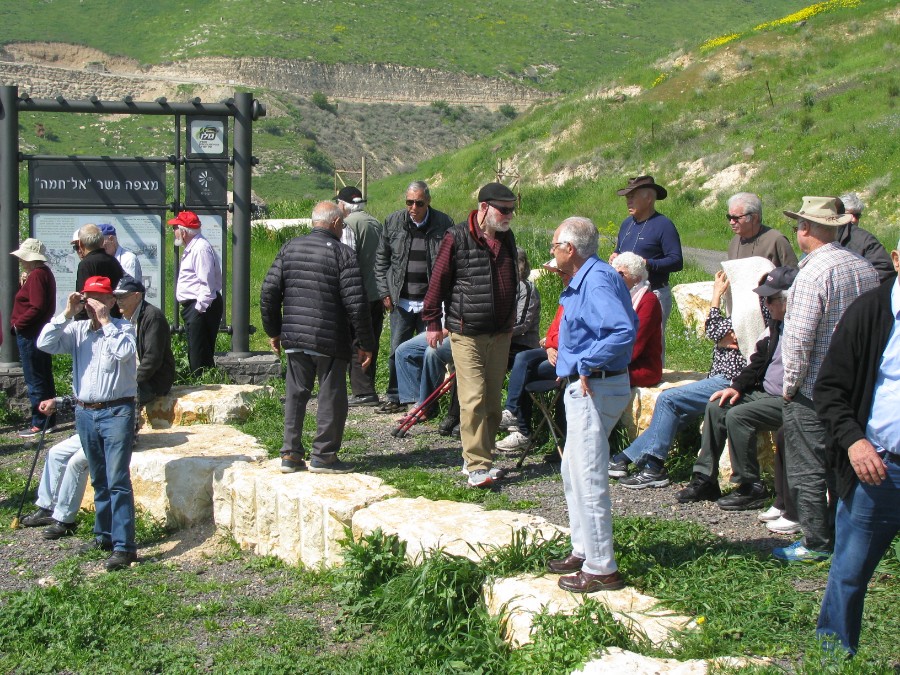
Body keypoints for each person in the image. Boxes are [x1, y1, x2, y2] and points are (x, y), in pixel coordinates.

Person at [775, 196, 879, 563]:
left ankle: (817, 542)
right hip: (854, 385)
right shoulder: (863, 267)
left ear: (806, 229)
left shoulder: (812, 273)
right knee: (844, 464)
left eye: (797, 226)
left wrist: (790, 387)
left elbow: (799, 338)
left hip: (814, 387)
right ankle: (849, 536)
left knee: (807, 469)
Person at [813, 240, 899, 655]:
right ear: (896, 261)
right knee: (850, 569)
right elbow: (829, 389)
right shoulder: (871, 311)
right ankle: (833, 656)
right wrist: (854, 441)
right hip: (879, 466)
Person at [545, 216, 636, 593]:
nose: (551, 251)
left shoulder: (596, 279)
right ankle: (583, 549)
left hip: (594, 387)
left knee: (589, 476)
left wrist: (587, 361)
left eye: (554, 245)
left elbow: (623, 330)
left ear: (570, 249)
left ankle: (602, 567)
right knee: (574, 472)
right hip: (587, 386)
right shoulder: (591, 276)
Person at [260, 201, 375, 474]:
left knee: (296, 394)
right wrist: (367, 343)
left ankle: (290, 453)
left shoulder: (290, 248)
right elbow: (357, 305)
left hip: (295, 336)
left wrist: (273, 331)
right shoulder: (343, 255)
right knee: (331, 396)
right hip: (330, 339)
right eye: (342, 225)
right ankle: (323, 456)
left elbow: (268, 292)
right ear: (335, 224)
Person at [37, 276, 139, 572]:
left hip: (116, 411)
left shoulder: (123, 329)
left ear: (110, 301)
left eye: (99, 298)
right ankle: (104, 535)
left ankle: (124, 546)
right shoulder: (78, 330)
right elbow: (44, 343)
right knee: (98, 477)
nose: (92, 305)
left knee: (117, 479)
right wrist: (66, 313)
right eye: (88, 298)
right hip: (85, 413)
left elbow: (125, 354)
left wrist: (106, 321)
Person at [611, 270, 747, 489]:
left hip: (731, 380)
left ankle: (654, 467)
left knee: (668, 399)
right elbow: (715, 333)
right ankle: (624, 459)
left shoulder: (749, 314)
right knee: (674, 414)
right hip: (723, 377)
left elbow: (711, 330)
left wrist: (715, 297)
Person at [676, 267, 798, 509]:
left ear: (788, 299)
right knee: (716, 405)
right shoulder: (776, 325)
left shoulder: (800, 327)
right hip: (765, 392)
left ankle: (750, 486)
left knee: (738, 416)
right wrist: (736, 387)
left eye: (770, 298)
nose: (766, 304)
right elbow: (758, 361)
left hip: (789, 399)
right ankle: (705, 478)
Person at [423, 182, 518, 489]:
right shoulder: (456, 237)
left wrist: (511, 318)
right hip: (466, 332)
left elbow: (513, 277)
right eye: (503, 210)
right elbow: (438, 281)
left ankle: (482, 457)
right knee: (473, 396)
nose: (508, 216)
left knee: (492, 401)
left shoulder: (507, 237)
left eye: (511, 210)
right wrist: (432, 322)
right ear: (484, 208)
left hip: (500, 332)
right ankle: (477, 465)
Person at [374, 181, 454, 414]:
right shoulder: (393, 222)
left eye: (418, 203)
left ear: (428, 201)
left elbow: (449, 264)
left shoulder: (444, 223)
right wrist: (384, 291)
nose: (413, 207)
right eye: (409, 202)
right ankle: (396, 396)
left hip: (430, 303)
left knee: (430, 352)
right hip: (402, 299)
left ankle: (427, 401)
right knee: (396, 349)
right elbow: (381, 260)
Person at [610, 175, 682, 362]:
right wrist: (615, 256)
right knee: (626, 336)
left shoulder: (663, 225)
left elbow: (676, 261)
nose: (628, 200)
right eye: (627, 197)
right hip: (627, 293)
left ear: (649, 198)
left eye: (633, 196)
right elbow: (619, 249)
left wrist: (648, 263)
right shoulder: (627, 224)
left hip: (654, 292)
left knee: (652, 341)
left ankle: (654, 377)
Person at [336, 186, 384, 407]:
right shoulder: (374, 222)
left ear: (344, 205)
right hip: (377, 293)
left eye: (338, 204)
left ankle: (363, 392)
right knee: (370, 339)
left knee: (357, 340)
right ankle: (368, 387)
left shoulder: (348, 225)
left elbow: (348, 260)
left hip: (357, 293)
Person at [18, 397, 88, 540]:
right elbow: (82, 398)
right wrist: (55, 402)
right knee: (55, 453)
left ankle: (65, 520)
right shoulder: (89, 376)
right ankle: (48, 508)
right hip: (87, 432)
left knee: (77, 463)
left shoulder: (122, 380)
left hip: (112, 435)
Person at [10, 238, 57, 437]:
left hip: (30, 332)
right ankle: (49, 418)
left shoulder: (37, 275)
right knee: (43, 375)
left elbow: (36, 305)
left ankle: (39, 422)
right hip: (39, 331)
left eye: (24, 258)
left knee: (35, 378)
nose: (21, 261)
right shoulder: (41, 273)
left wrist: (18, 324)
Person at [169, 210, 223, 374]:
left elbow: (207, 283)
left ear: (183, 232)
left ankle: (202, 386)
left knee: (199, 355)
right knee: (198, 351)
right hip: (196, 307)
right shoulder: (195, 247)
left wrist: (198, 309)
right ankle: (203, 381)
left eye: (175, 228)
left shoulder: (200, 249)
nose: (174, 232)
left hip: (201, 307)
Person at [113, 275, 175, 407]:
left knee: (117, 402)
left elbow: (152, 358)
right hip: (132, 378)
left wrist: (130, 382)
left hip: (152, 381)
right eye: (117, 296)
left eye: (122, 296)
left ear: (137, 296)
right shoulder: (124, 318)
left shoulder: (153, 317)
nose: (118, 301)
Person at [612, 252, 662, 388]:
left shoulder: (648, 301)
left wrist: (604, 363)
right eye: (614, 272)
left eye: (621, 274)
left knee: (598, 378)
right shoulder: (617, 298)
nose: (616, 277)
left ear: (637, 279)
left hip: (641, 366)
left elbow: (636, 342)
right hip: (618, 359)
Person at [725, 192, 798, 267]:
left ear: (754, 218)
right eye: (729, 217)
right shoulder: (735, 242)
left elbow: (794, 274)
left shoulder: (777, 240)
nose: (731, 222)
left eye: (736, 218)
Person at [835, 192, 893, 283]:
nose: (853, 219)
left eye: (857, 216)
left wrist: (860, 286)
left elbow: (885, 268)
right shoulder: (822, 236)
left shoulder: (865, 241)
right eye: (849, 215)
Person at [74, 224, 124, 320]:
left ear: (80, 244)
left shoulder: (85, 264)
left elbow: (82, 296)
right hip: (113, 316)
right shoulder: (113, 261)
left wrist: (79, 321)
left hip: (92, 318)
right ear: (102, 242)